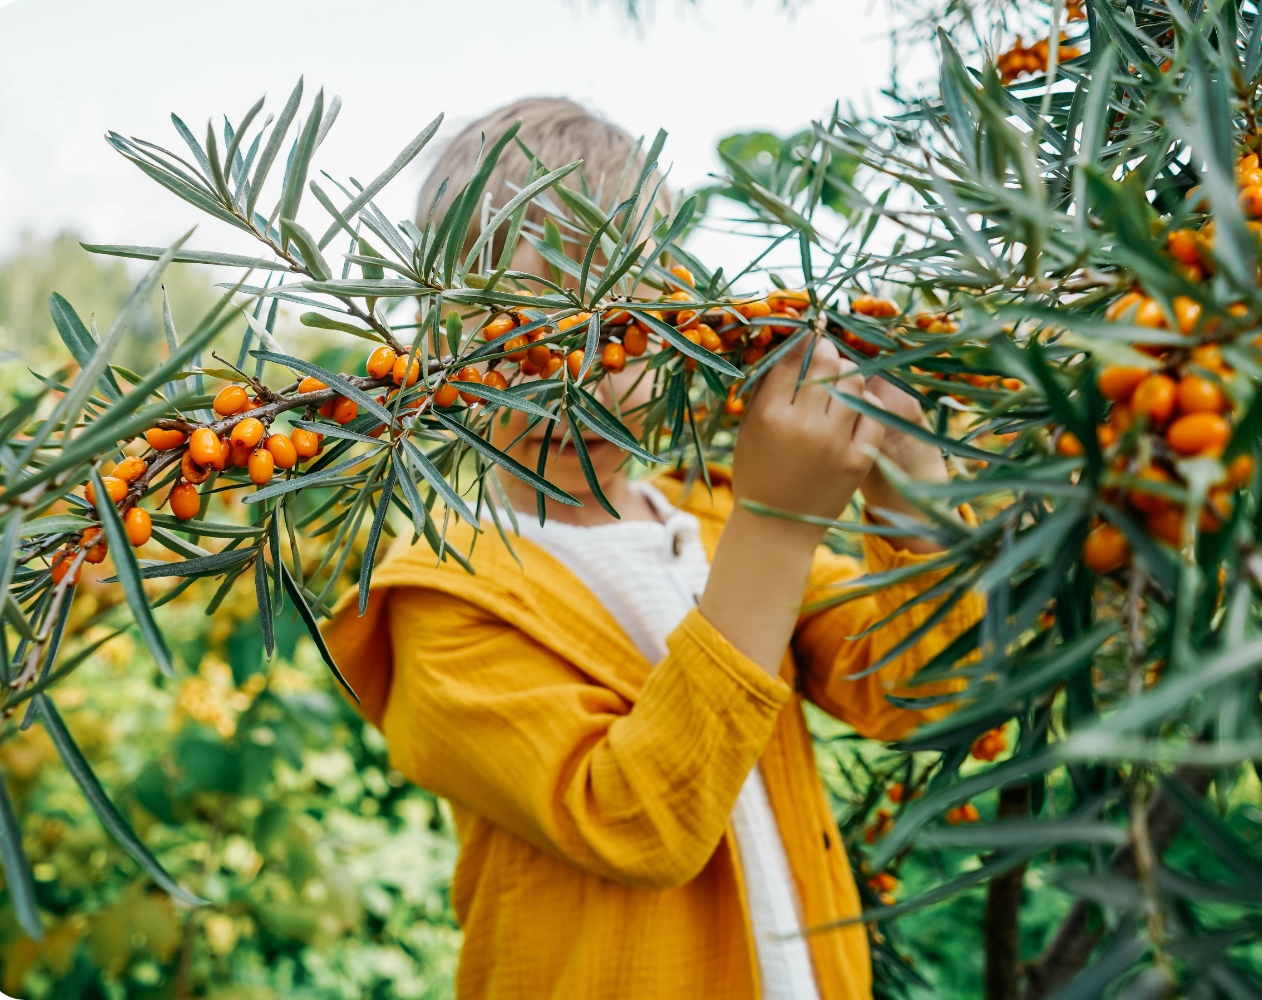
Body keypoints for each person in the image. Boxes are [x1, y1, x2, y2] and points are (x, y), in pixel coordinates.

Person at [324, 98, 982, 999]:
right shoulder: (440, 603)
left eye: (617, 332)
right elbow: (637, 821)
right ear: (440, 346)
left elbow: (924, 694)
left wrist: (910, 478)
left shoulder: (708, 522)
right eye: (523, 338)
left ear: (675, 326)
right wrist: (778, 526)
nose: (577, 385)